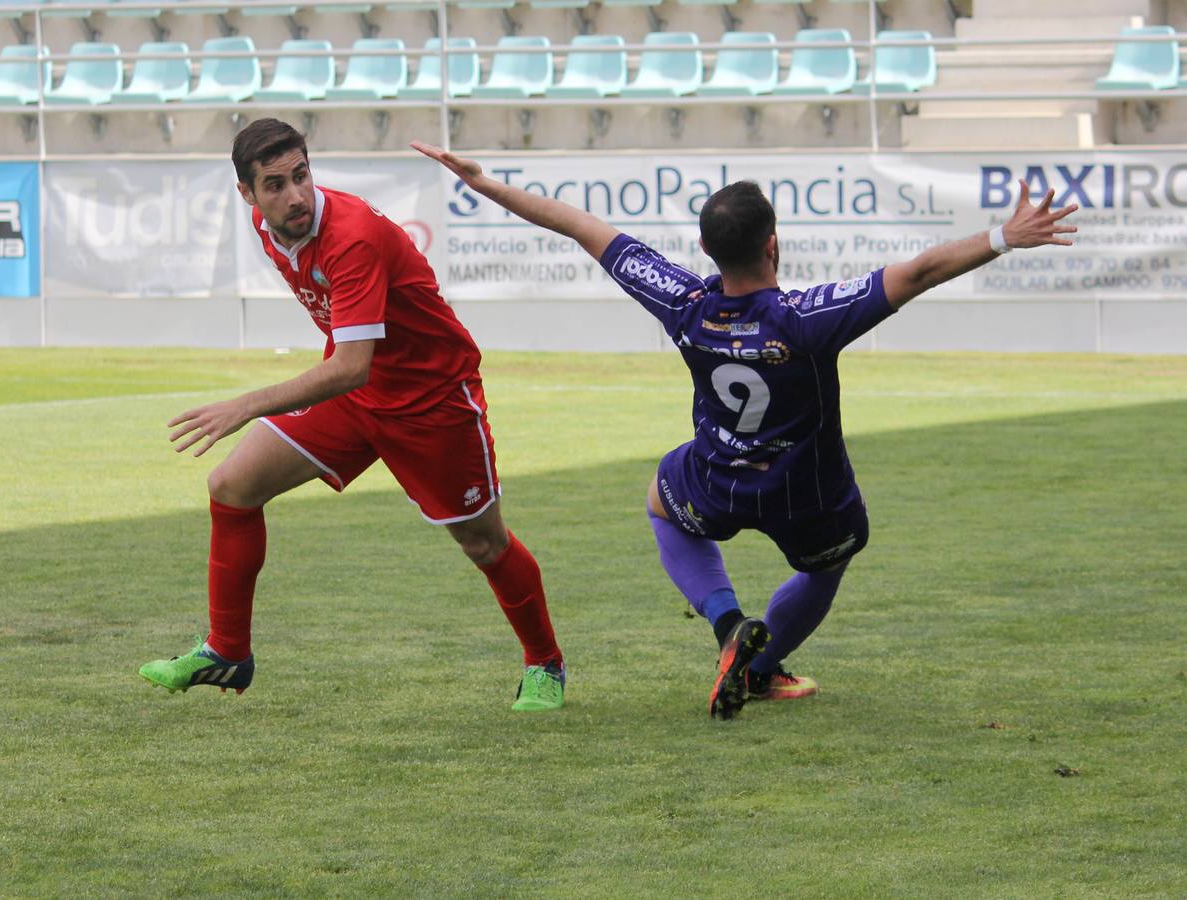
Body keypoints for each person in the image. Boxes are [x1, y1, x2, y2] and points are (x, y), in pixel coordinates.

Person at [413, 140, 1077, 719]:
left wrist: (485, 182)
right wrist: (1001, 237)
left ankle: (730, 626)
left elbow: (584, 229)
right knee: (830, 564)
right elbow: (920, 272)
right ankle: (759, 668)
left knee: (661, 504)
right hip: (808, 489)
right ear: (773, 243)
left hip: (716, 477)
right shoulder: (808, 319)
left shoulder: (684, 304)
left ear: (704, 248)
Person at [138, 119, 566, 712]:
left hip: (431, 399)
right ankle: (228, 651)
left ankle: (545, 663)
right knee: (232, 485)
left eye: (301, 176)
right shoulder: (270, 228)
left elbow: (350, 366)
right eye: (275, 184)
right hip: (359, 396)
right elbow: (353, 370)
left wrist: (246, 404)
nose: (294, 196)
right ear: (247, 194)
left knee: (483, 542)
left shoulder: (352, 236)